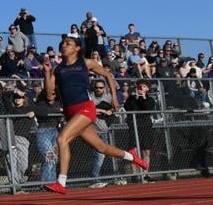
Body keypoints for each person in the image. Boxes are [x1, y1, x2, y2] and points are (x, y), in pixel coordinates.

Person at [42, 34, 148, 194]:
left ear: (77, 48)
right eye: (62, 43)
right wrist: (47, 72)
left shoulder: (86, 63)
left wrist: (113, 96)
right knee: (101, 147)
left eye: (68, 43)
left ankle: (61, 182)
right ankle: (133, 157)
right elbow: (50, 94)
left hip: (85, 108)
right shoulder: (58, 68)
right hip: (70, 114)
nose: (63, 45)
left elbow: (107, 75)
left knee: (61, 139)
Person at [123, 79, 157, 182]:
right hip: (134, 126)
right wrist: (136, 98)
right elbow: (129, 109)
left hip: (146, 127)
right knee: (133, 151)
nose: (140, 88)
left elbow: (147, 110)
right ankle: (135, 175)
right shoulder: (132, 98)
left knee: (146, 151)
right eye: (139, 87)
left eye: (143, 87)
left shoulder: (150, 99)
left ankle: (145, 174)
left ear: (147, 88)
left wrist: (144, 98)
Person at [33, 89, 63, 183]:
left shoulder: (59, 103)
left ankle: (52, 182)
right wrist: (59, 110)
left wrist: (60, 110)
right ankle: (46, 184)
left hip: (55, 132)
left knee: (55, 158)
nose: (51, 95)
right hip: (43, 132)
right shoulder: (41, 103)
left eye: (53, 93)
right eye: (48, 93)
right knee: (49, 158)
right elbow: (42, 112)